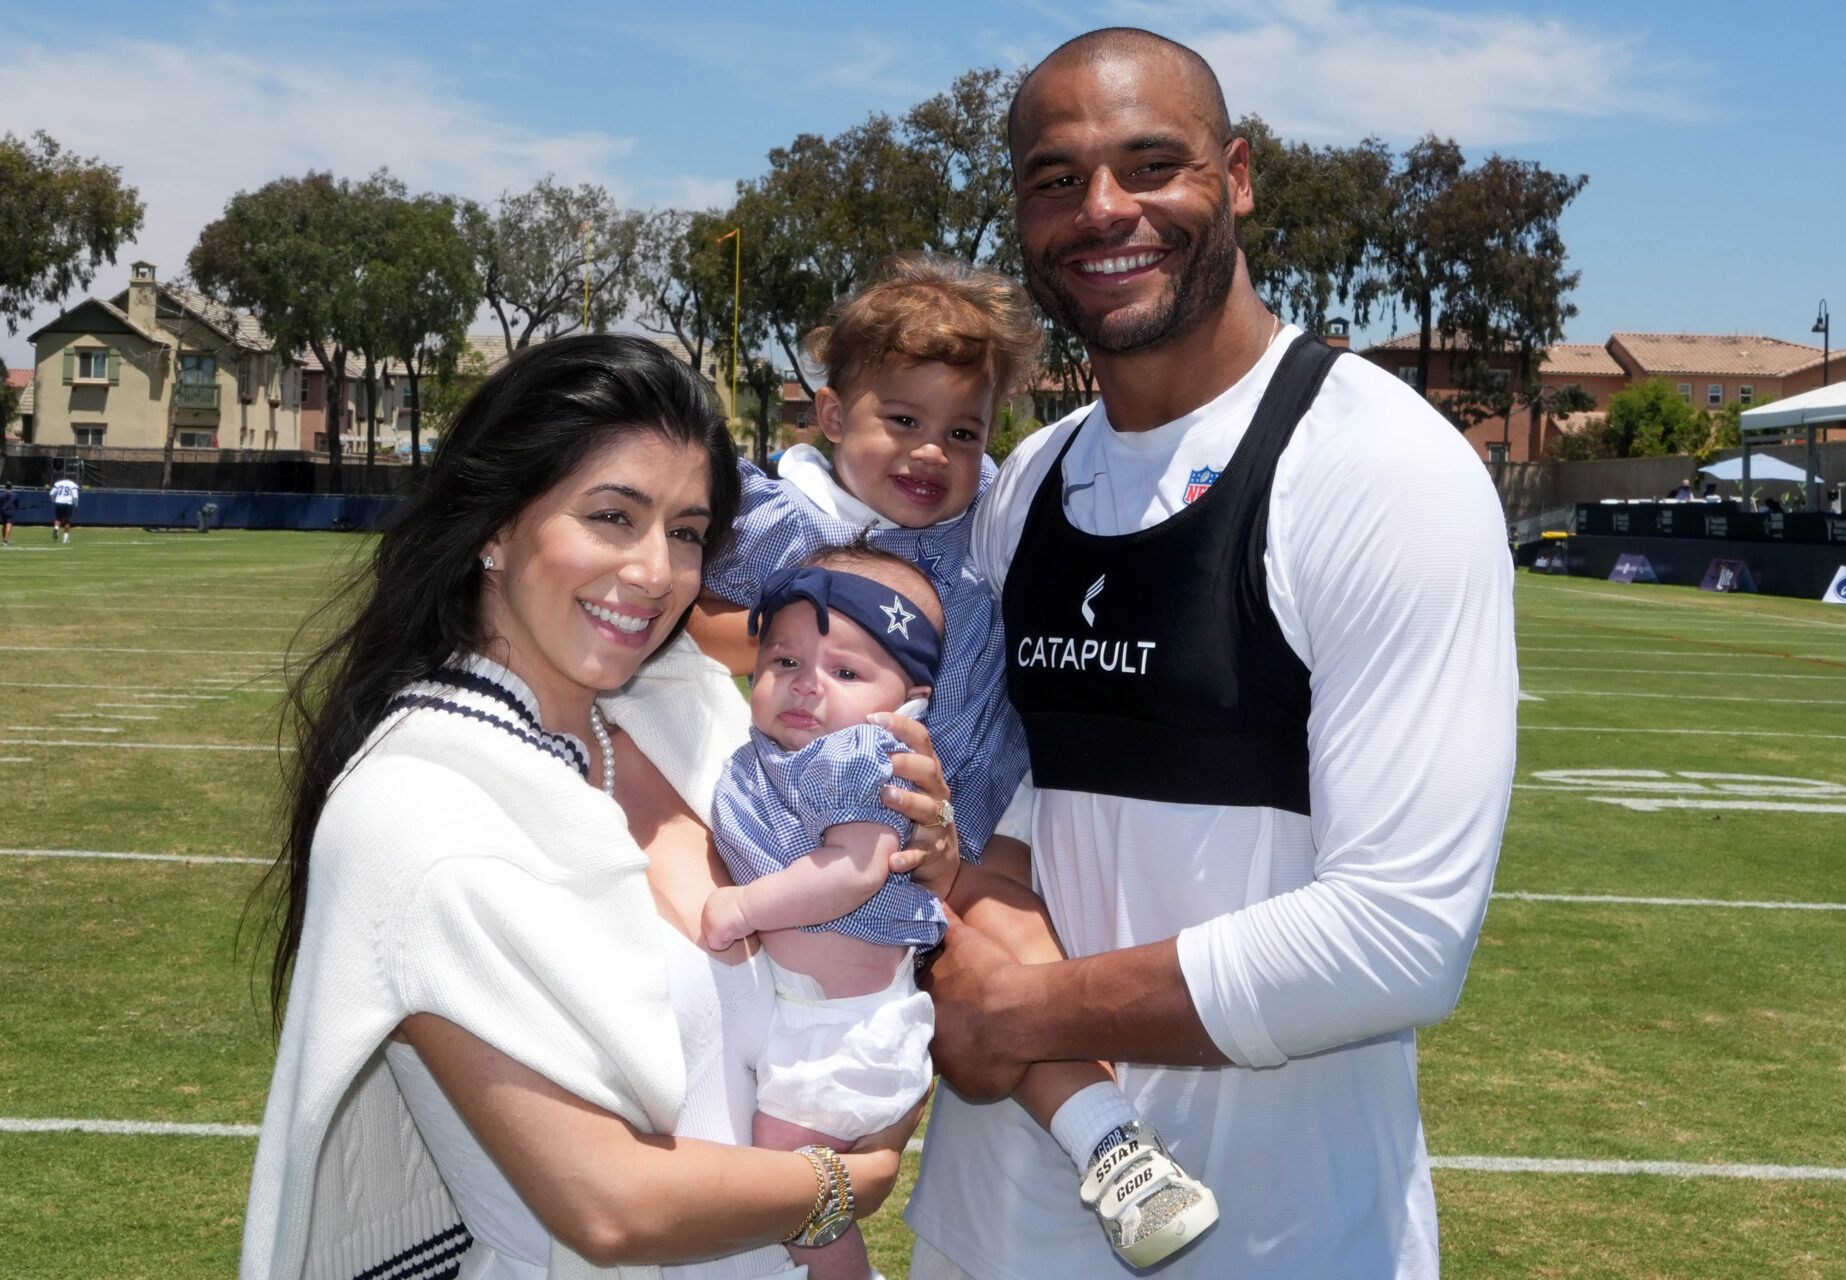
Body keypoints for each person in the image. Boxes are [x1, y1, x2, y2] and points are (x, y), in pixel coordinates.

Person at [908, 27, 1517, 1280]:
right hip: (995, 1234)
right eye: (1056, 179)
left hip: (1278, 1239)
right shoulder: (1031, 475)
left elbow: (1401, 936)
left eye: (1151, 165)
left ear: (1235, 176)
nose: (1105, 210)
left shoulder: (1375, 468)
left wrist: (1022, 1007)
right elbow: (1012, 797)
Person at [241, 334, 955, 1280]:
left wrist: (918, 860)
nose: (656, 572)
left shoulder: (696, 713)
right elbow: (608, 1206)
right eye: (613, 515)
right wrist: (844, 1186)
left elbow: (834, 980)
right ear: (496, 525)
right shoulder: (417, 808)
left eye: (688, 531)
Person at [689, 254, 1218, 1268]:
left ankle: (1113, 1145)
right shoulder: (785, 520)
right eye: (903, 419)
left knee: (1015, 947)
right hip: (832, 816)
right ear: (832, 415)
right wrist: (811, 663)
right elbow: (698, 611)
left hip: (969, 813)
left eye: (963, 431)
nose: (932, 450)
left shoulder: (982, 530)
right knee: (916, 997)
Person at [702, 546, 949, 1280]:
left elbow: (856, 866)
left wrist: (743, 907)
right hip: (819, 1025)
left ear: (909, 702)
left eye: (845, 673)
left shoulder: (861, 754)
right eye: (783, 663)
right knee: (790, 1191)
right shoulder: (773, 758)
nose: (807, 687)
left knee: (787, 1184)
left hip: (845, 1035)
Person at [49, 475, 78, 543]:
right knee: (66, 522)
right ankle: (65, 539)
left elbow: (51, 493)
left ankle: (56, 529)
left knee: (58, 519)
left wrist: (54, 501)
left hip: (58, 503)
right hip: (68, 504)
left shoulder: (59, 483)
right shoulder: (73, 485)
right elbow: (75, 496)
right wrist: (76, 505)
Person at [1, 482, 16, 547]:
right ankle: (5, 541)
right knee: (9, 525)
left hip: (3, 511)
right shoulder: (15, 495)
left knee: (4, 525)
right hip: (10, 512)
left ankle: (4, 539)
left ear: (5, 487)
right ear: (11, 487)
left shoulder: (1, 495)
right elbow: (17, 504)